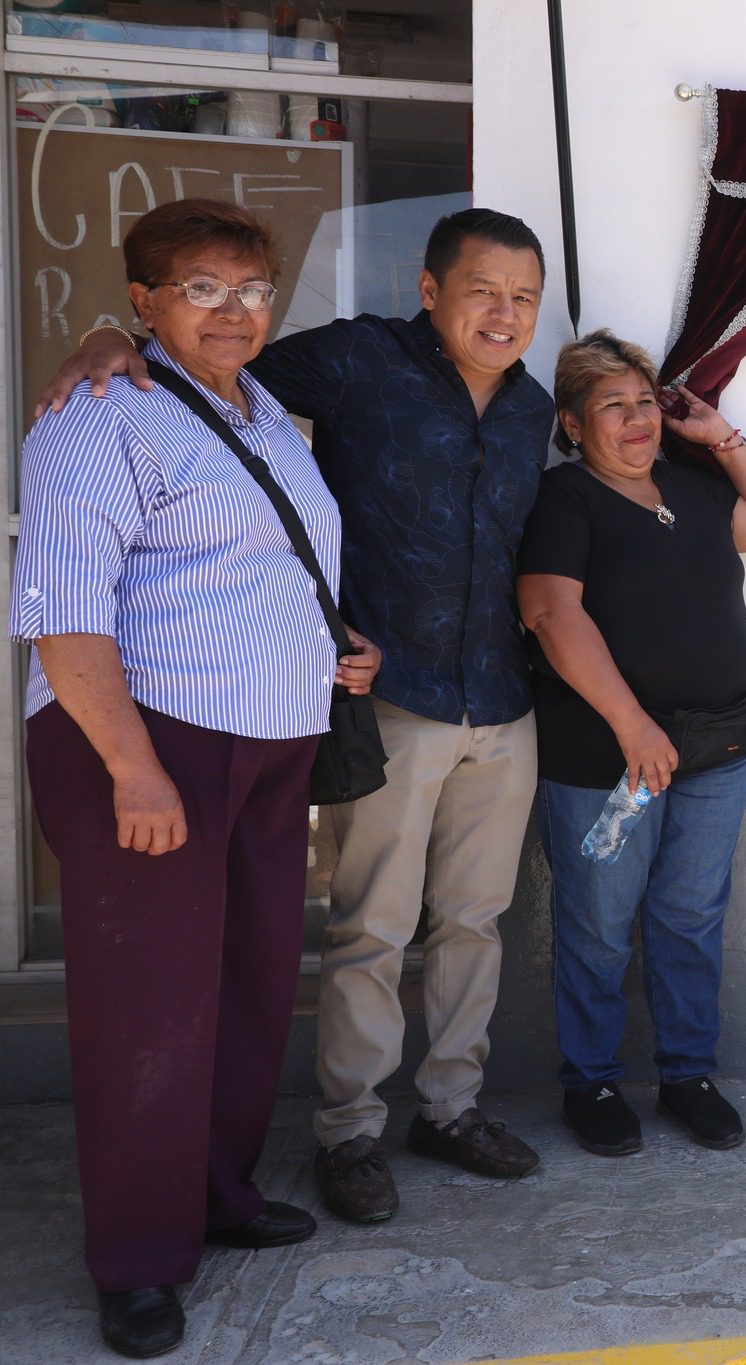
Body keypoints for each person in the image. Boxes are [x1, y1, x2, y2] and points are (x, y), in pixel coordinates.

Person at [43, 208, 559, 1224]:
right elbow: (210, 357)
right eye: (481, 291)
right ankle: (350, 1130)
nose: (502, 315)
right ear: (428, 290)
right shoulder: (357, 363)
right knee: (369, 925)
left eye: (522, 299)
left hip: (496, 695)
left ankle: (449, 1108)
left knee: (473, 921)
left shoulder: (534, 409)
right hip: (385, 702)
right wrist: (108, 342)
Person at [10, 199, 381, 1358]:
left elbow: (261, 567)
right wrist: (133, 771)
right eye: (203, 288)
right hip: (148, 747)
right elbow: (67, 624)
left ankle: (214, 1195)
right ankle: (136, 1260)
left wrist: (337, 646)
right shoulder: (96, 416)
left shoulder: (267, 416)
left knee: (249, 987)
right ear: (144, 303)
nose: (235, 311)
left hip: (270, 745)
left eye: (253, 289)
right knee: (146, 1013)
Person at [518, 331, 746, 1156]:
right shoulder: (565, 499)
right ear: (573, 424)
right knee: (600, 920)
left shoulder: (693, 488)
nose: (636, 420)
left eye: (645, 402)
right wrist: (632, 724)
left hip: (716, 750)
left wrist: (719, 437)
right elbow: (550, 614)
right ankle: (593, 1081)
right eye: (613, 406)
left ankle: (687, 1074)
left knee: (689, 914)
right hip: (609, 761)